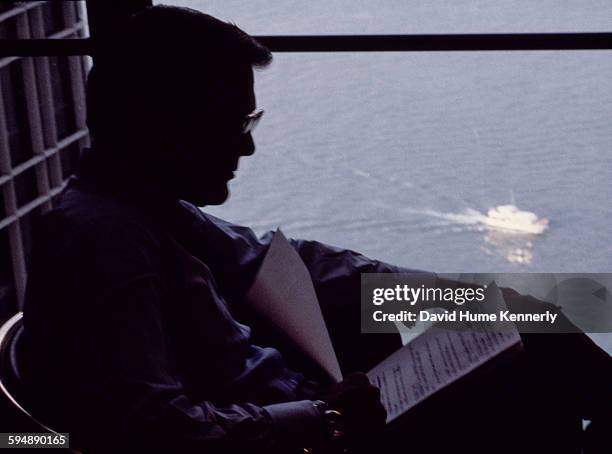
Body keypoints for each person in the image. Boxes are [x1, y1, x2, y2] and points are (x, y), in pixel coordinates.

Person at [19, 5, 611, 454]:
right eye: (232, 121)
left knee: (525, 326)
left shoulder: (147, 210)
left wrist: (454, 297)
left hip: (318, 407)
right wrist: (323, 418)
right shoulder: (104, 245)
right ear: (156, 125)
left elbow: (302, 266)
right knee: (536, 374)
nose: (248, 144)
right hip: (311, 432)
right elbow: (148, 427)